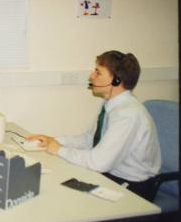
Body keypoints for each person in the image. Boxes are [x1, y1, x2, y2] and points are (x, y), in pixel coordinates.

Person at [29, 50, 161, 201]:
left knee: (68, 200)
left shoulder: (128, 115)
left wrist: (59, 150)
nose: (91, 76)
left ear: (116, 80)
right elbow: (90, 140)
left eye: (98, 72)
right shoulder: (111, 104)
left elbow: (98, 163)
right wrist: (55, 140)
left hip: (133, 187)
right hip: (110, 175)